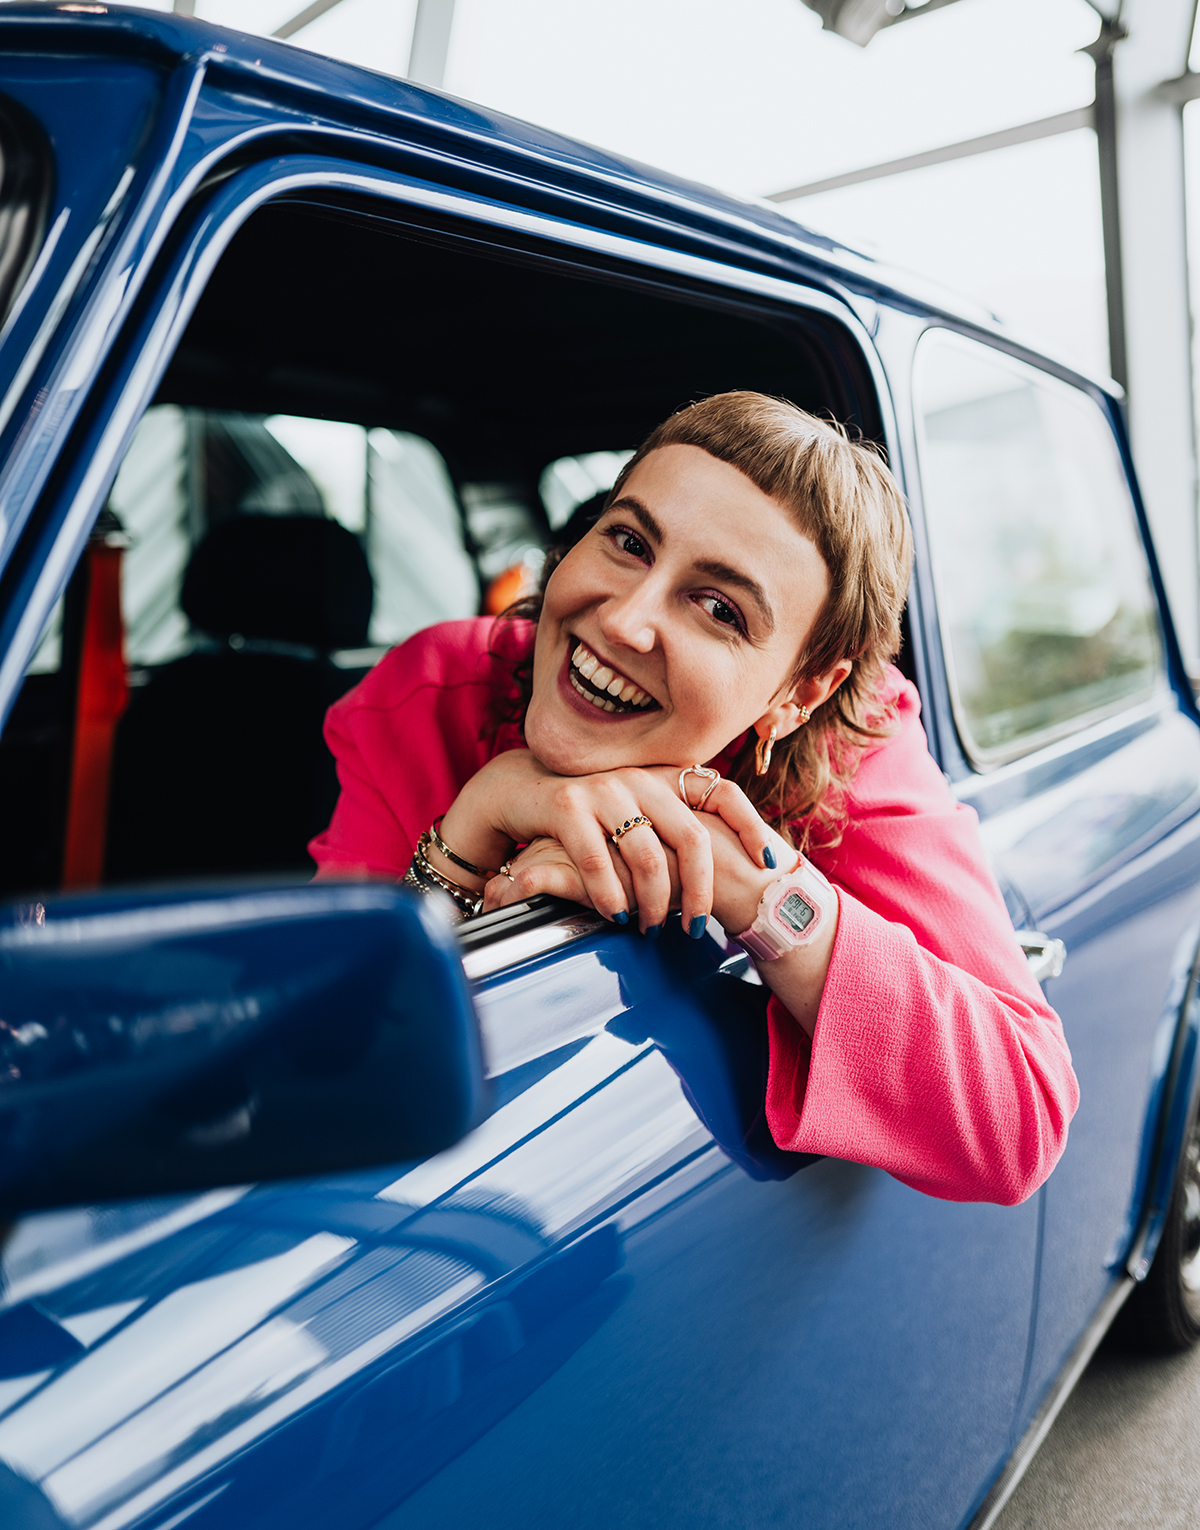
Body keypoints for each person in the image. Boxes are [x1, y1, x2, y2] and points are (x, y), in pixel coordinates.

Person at [310, 391, 1079, 1205]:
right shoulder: (437, 693)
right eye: (630, 542)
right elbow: (319, 1069)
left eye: (718, 608)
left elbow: (1017, 1122)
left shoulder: (857, 755)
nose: (626, 621)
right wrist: (472, 825)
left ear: (800, 692)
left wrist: (748, 879)